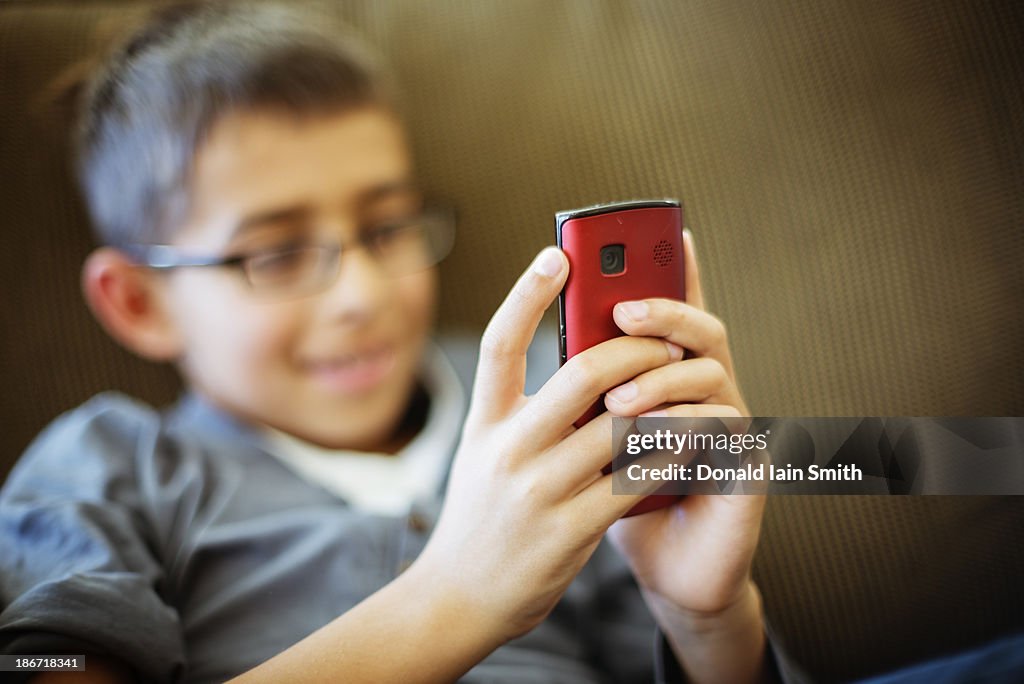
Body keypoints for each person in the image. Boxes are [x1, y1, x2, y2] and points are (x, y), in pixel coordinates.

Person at [0, 2, 771, 682]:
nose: (362, 295)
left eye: (388, 228)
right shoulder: (105, 471)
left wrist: (708, 622)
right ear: (140, 302)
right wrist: (454, 598)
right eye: (276, 254)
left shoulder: (554, 398)